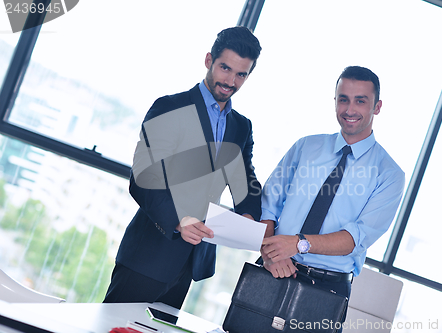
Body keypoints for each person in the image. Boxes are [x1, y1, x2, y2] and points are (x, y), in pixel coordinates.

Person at [103, 26, 262, 309]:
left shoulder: (241, 127)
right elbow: (142, 178)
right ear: (208, 60)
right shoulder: (169, 108)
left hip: (191, 261)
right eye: (225, 68)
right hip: (149, 254)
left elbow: (244, 180)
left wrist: (249, 215)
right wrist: (179, 219)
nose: (230, 80)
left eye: (241, 74)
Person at [259, 66, 405, 329]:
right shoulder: (306, 146)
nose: (350, 109)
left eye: (361, 101)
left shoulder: (390, 175)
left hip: (326, 289)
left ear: (377, 106)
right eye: (343, 99)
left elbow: (355, 238)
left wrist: (298, 244)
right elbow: (267, 206)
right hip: (274, 268)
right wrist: (270, 252)